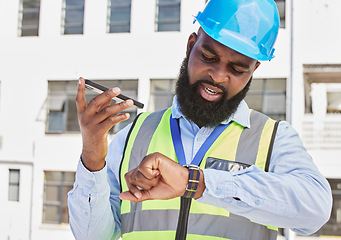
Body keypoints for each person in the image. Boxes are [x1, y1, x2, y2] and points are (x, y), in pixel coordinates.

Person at [68, 0, 332, 239]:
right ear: (191, 45)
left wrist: (197, 182)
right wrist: (92, 156)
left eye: (237, 69)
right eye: (208, 57)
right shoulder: (134, 133)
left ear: (254, 70)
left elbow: (315, 210)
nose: (217, 76)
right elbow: (93, 237)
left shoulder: (274, 138)